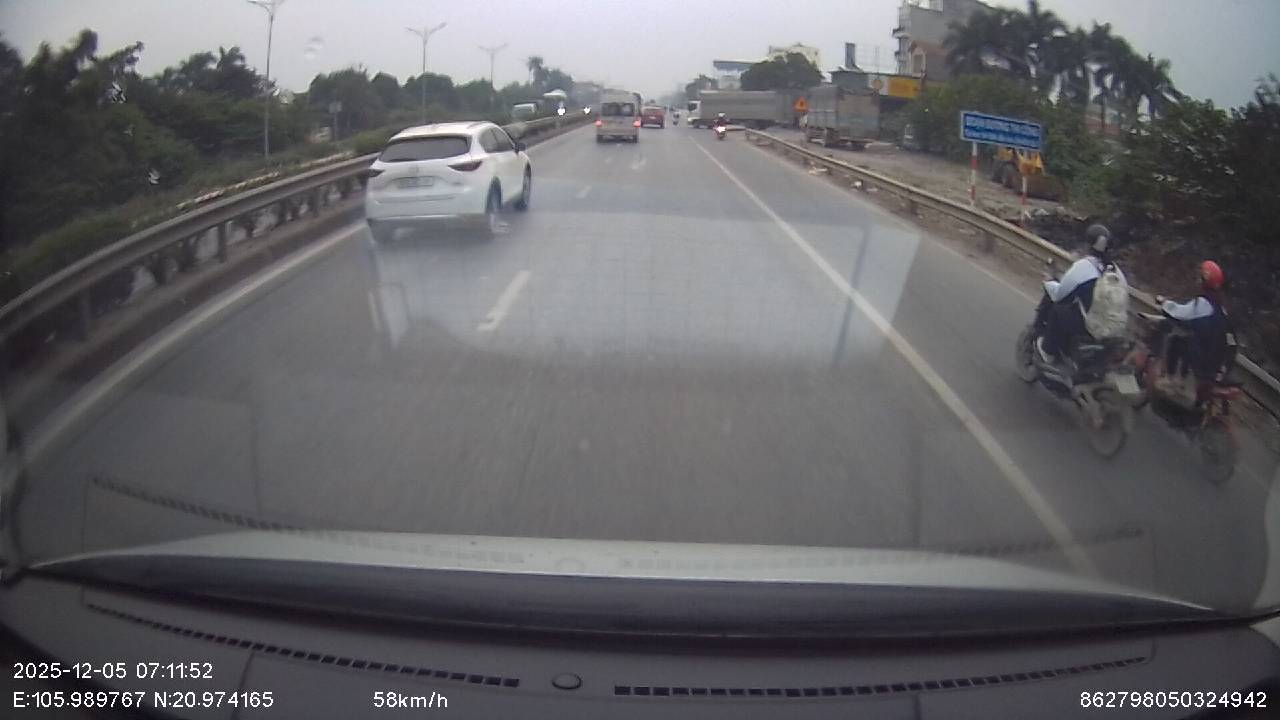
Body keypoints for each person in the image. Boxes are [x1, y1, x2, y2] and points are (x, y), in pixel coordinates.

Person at [1035, 224, 1127, 364]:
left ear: (1088, 244)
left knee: (1058, 310)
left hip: (1094, 326)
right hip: (1115, 329)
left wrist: (1049, 282)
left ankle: (1048, 352)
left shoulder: (1085, 266)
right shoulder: (1117, 271)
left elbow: (1060, 295)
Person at [1156, 260, 1235, 401]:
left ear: (1205, 280)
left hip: (1203, 361)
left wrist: (1164, 303)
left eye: (1200, 277)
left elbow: (1180, 313)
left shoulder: (1203, 303)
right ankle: (1183, 380)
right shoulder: (1220, 307)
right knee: (1191, 340)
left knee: (1176, 341)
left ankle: (1172, 380)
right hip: (1215, 363)